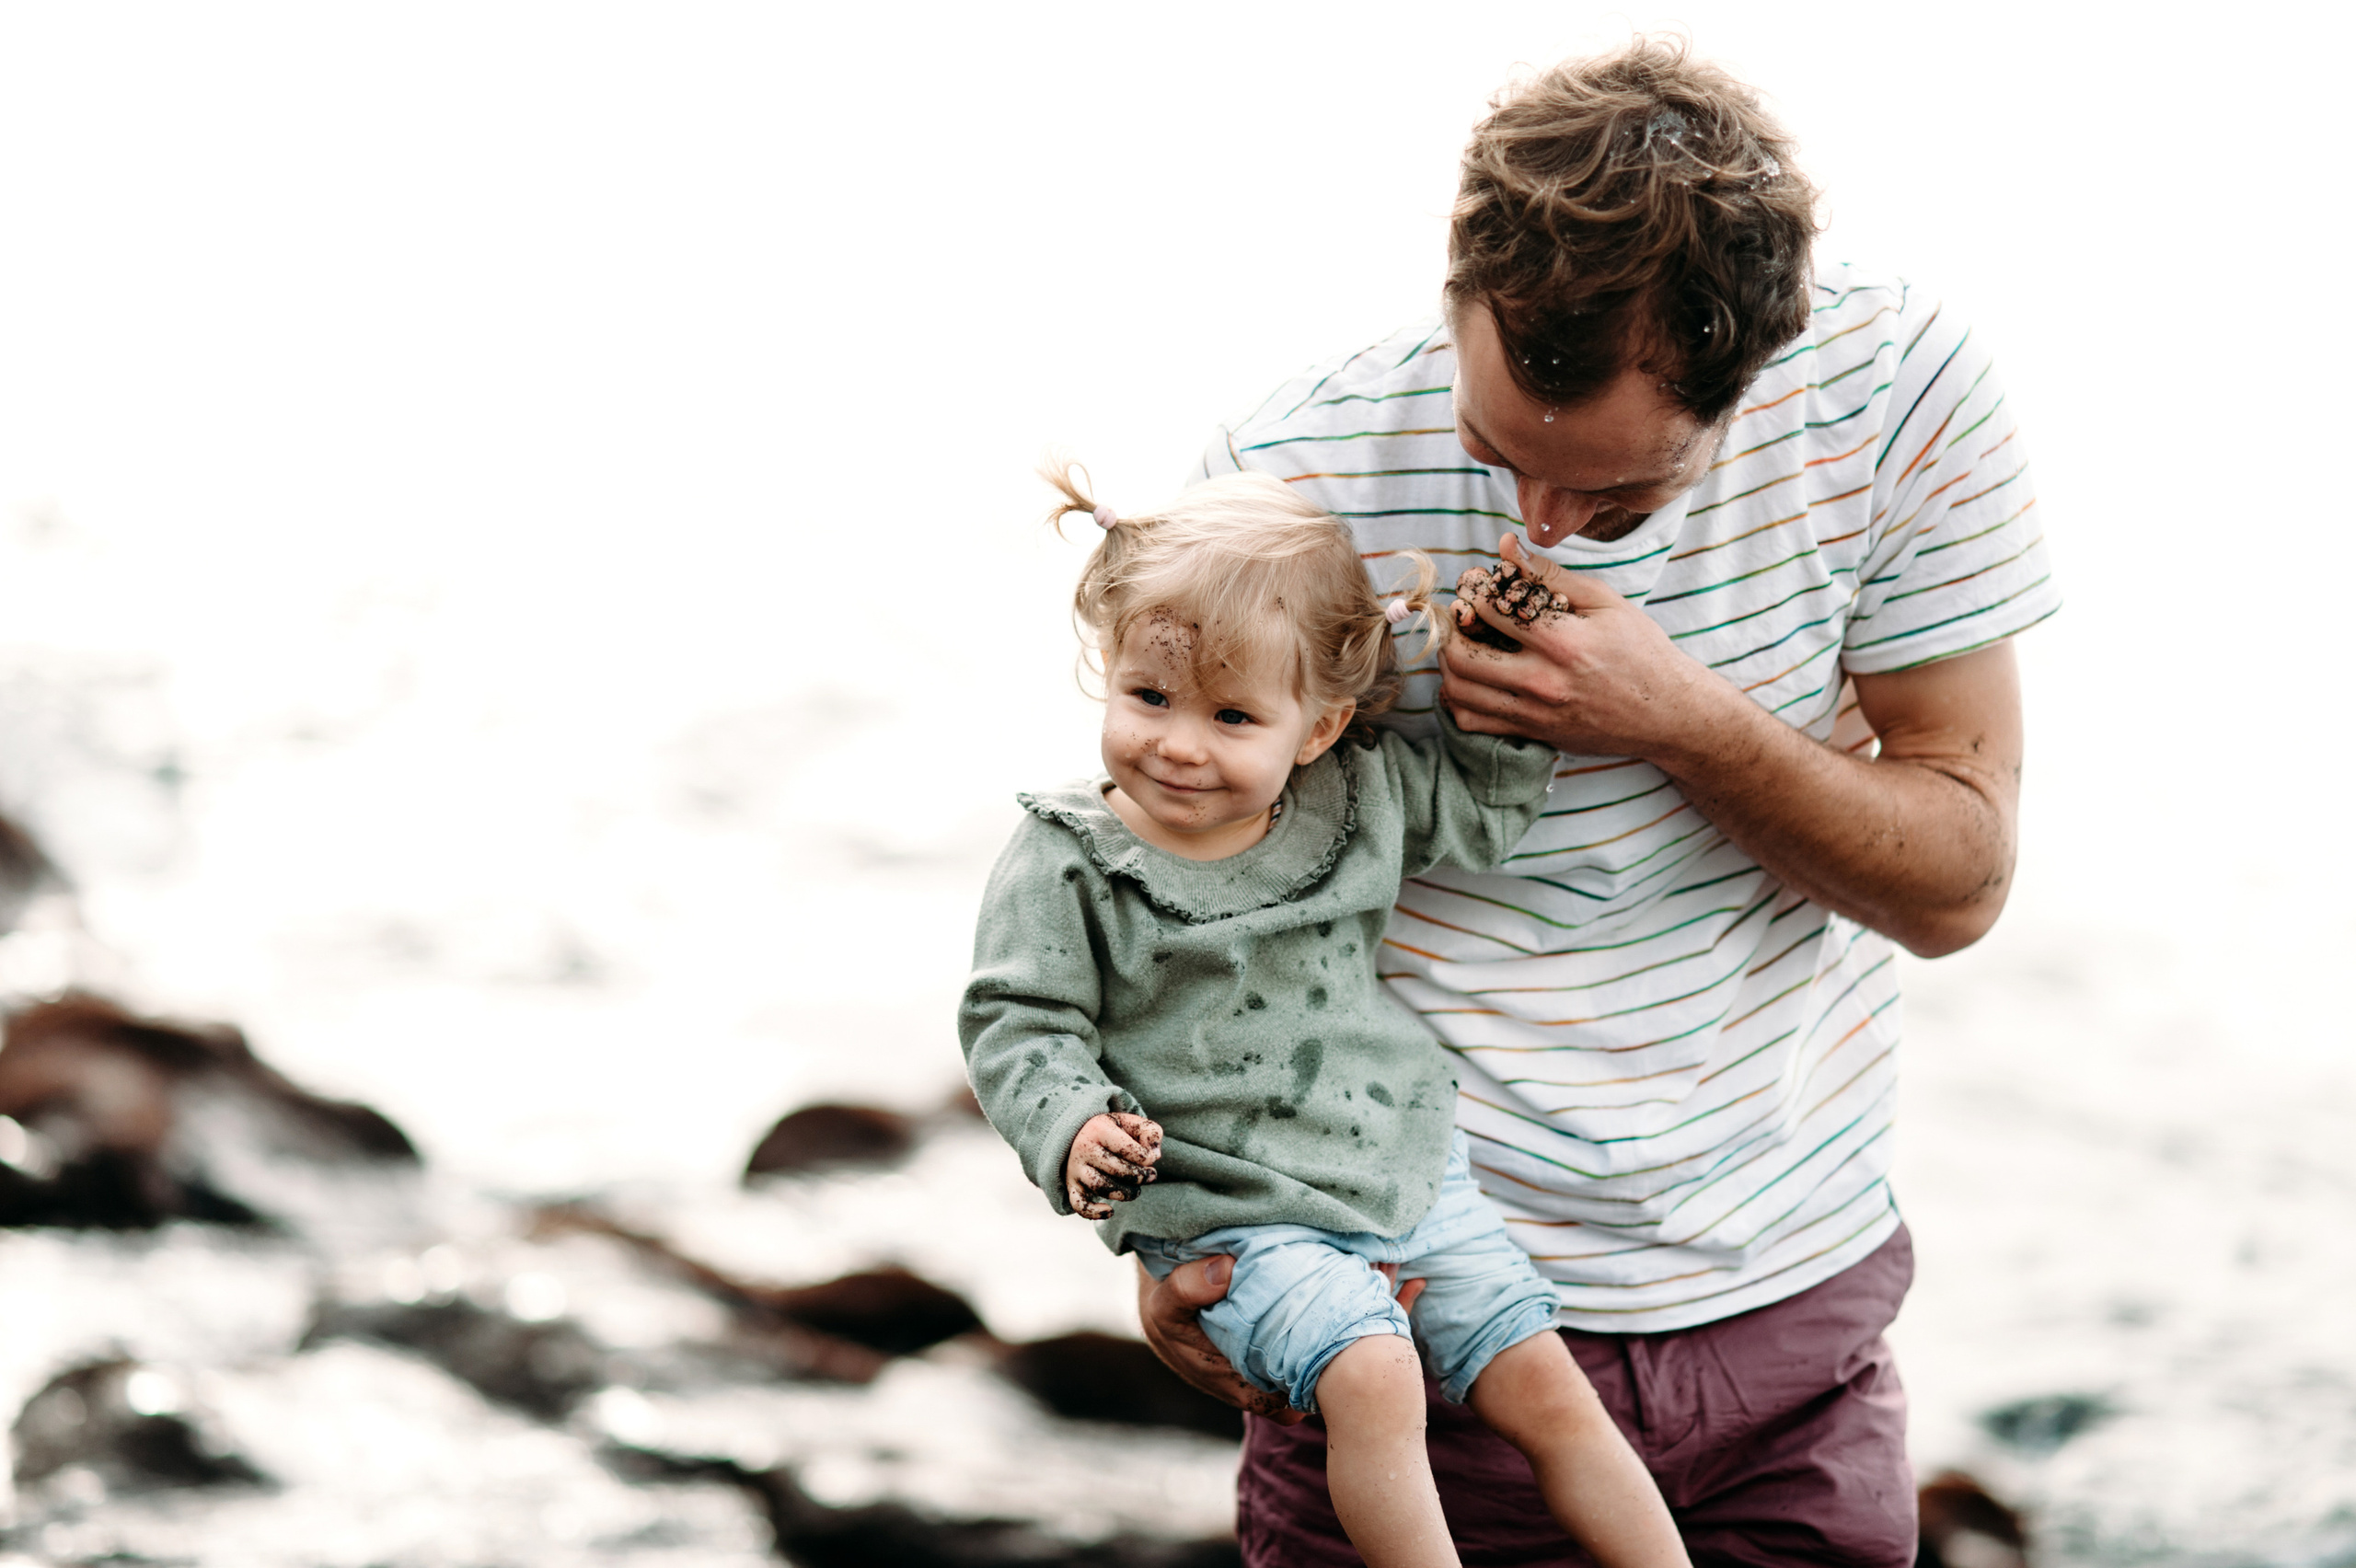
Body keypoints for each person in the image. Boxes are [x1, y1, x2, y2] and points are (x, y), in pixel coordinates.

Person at [1138, 37, 2060, 1568]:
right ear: (1461, 296)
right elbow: (1195, 915)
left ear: (1757, 370)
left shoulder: (1901, 395)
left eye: (1620, 495)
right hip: (1416, 1315)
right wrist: (1177, 1229)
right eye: (1501, 453)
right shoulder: (1285, 478)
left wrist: (1675, 716)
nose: (1543, 523)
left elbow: (1957, 883)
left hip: (1793, 1319)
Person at [959, 465, 1692, 1568]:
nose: (1177, 743)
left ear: (1318, 728)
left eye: (1232, 715)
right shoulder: (1070, 860)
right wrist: (1072, 1128)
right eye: (1147, 697)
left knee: (1546, 1382)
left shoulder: (1357, 796)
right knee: (1375, 1371)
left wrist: (1497, 656)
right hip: (1230, 1208)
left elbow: (1487, 809)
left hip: (1399, 1165)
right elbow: (1019, 1022)